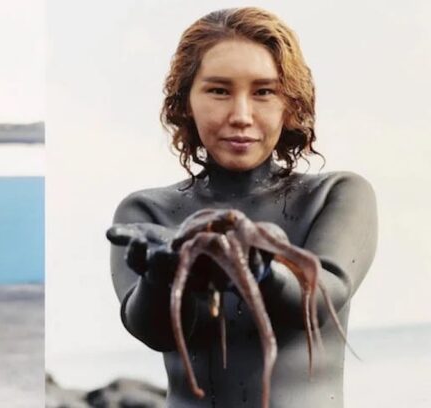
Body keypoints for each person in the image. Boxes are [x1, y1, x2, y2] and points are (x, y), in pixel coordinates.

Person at [107, 7, 377, 408]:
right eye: (218, 91)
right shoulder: (147, 213)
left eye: (264, 91)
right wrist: (159, 275)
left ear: (291, 103)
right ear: (185, 102)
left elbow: (322, 297)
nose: (241, 116)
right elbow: (152, 330)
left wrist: (261, 270)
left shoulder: (335, 195)